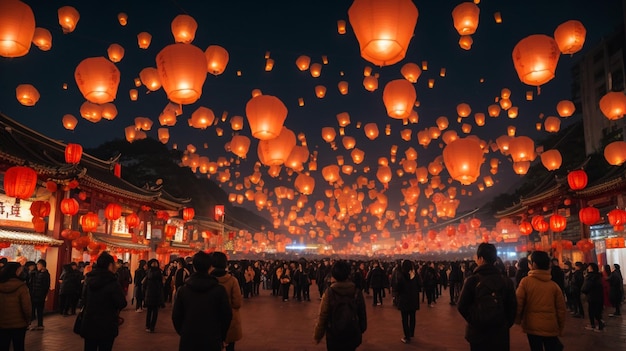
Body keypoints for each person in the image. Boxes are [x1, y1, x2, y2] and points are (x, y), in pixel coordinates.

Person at [457, 243, 517, 351]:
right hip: (500, 333)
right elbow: (512, 307)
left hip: (477, 334)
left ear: (481, 258)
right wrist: (505, 323)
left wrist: (475, 321)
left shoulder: (472, 280)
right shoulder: (506, 281)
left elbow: (462, 306)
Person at [172, 251, 232, 351]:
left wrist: (184, 332)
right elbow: (226, 316)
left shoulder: (183, 290)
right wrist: (221, 336)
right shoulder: (219, 290)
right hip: (212, 339)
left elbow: (176, 316)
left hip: (188, 339)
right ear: (210, 267)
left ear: (194, 267)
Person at [515, 250, 566, 351]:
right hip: (551, 326)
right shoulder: (554, 286)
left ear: (533, 265)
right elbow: (561, 309)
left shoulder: (525, 282)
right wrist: (560, 327)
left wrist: (517, 319)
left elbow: (519, 303)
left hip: (532, 325)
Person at [314, 260, 367, 351]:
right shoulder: (356, 292)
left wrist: (318, 335)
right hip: (352, 333)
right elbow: (362, 313)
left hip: (334, 335)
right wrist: (361, 329)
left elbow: (323, 315)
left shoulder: (329, 293)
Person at [79, 252, 127, 351]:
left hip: (89, 322)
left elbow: (83, 299)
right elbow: (122, 302)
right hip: (107, 324)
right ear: (109, 265)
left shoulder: (89, 279)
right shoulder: (112, 282)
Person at [209, 252, 243, 351]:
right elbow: (237, 303)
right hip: (230, 321)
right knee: (230, 347)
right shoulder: (232, 281)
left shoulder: (208, 280)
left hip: (212, 320)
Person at [0, 262, 32, 351]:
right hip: (19, 324)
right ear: (16, 271)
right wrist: (28, 320)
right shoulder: (22, 286)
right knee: (19, 346)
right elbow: (27, 307)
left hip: (2, 323)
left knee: (3, 346)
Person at [394, 260, 421, 344]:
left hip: (404, 300)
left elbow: (398, 288)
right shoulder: (415, 275)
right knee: (412, 317)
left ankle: (407, 336)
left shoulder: (401, 276)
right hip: (413, 300)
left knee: (405, 319)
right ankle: (411, 333)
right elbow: (420, 285)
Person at [581, 262, 605, 331]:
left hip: (592, 297)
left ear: (591, 268)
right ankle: (598, 324)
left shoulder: (590, 277)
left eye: (589, 267)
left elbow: (585, 288)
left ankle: (594, 325)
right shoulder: (598, 276)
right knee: (597, 311)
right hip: (598, 296)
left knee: (592, 311)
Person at [143, 258, 164, 333]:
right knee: (155, 312)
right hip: (156, 295)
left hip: (149, 294)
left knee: (149, 311)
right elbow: (161, 285)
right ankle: (152, 327)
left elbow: (144, 285)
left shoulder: (148, 272)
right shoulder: (159, 273)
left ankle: (147, 326)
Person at [29, 259, 50, 331]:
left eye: (39, 265)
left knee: (39, 310)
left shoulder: (45, 274)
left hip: (40, 295)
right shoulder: (35, 273)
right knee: (32, 310)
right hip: (34, 294)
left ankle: (39, 324)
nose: (37, 266)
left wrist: (44, 294)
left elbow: (46, 286)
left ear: (43, 266)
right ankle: (32, 324)